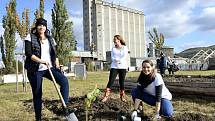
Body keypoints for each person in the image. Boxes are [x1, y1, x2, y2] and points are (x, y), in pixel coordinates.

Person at [24, 18, 69, 121]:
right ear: (36, 26)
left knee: (64, 81)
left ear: (46, 27)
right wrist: (41, 61)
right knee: (38, 93)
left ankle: (65, 107)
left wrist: (57, 65)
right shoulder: (30, 37)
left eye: (44, 25)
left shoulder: (50, 39)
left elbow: (54, 54)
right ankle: (38, 118)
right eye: (40, 25)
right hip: (35, 69)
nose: (42, 27)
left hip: (49, 68)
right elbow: (29, 54)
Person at [102, 35, 128, 102]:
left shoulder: (125, 48)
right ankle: (106, 96)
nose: (114, 41)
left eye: (115, 39)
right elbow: (112, 58)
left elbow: (124, 57)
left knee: (121, 82)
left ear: (119, 40)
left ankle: (122, 96)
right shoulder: (113, 49)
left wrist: (119, 60)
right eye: (113, 40)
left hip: (122, 67)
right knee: (110, 81)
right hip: (114, 66)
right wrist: (117, 60)